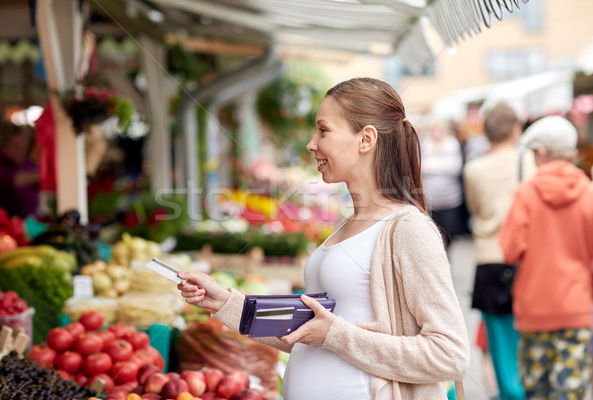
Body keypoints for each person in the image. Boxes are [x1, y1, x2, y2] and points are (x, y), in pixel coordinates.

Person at [177, 77, 470, 400]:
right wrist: (227, 303)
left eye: (323, 130)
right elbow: (307, 330)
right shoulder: (347, 226)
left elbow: (451, 354)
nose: (311, 143)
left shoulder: (407, 228)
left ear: (366, 139)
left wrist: (336, 335)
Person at [499, 115, 593, 400]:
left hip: (534, 311)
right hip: (577, 309)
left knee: (537, 392)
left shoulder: (526, 193)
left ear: (541, 153)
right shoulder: (588, 192)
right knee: (571, 393)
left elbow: (510, 249)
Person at [463, 102, 535, 400]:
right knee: (529, 338)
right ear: (516, 129)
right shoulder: (528, 161)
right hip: (525, 259)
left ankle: (510, 394)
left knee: (500, 344)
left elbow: (476, 210)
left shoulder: (472, 169)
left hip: (489, 260)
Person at [419, 116, 465, 248]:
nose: (437, 132)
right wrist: (443, 167)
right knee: (432, 237)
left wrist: (433, 168)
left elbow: (456, 168)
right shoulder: (424, 144)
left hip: (451, 200)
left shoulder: (452, 144)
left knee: (449, 235)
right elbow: (420, 167)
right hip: (430, 202)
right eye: (434, 129)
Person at [0, 120, 40, 218]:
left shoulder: (27, 164)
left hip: (30, 225)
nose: (21, 150)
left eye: (23, 146)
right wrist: (41, 174)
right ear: (2, 145)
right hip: (3, 228)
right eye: (16, 146)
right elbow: (11, 179)